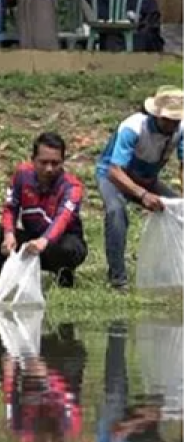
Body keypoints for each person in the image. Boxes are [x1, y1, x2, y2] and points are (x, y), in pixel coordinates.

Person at [0, 132, 88, 288]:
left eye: (55, 163)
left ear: (63, 162)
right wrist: (9, 234)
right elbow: (10, 207)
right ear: (33, 160)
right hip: (32, 239)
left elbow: (63, 218)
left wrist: (44, 241)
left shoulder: (72, 186)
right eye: (43, 162)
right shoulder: (22, 175)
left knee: (67, 248)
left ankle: (63, 274)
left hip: (60, 241)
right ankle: (12, 274)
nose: (49, 169)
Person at [95, 86, 184, 291]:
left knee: (180, 214)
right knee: (116, 212)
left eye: (176, 121)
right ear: (156, 114)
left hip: (147, 177)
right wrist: (143, 195)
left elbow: (184, 165)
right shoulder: (133, 127)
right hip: (115, 176)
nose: (172, 125)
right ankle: (117, 279)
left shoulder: (181, 130)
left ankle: (169, 270)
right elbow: (115, 171)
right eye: (168, 120)